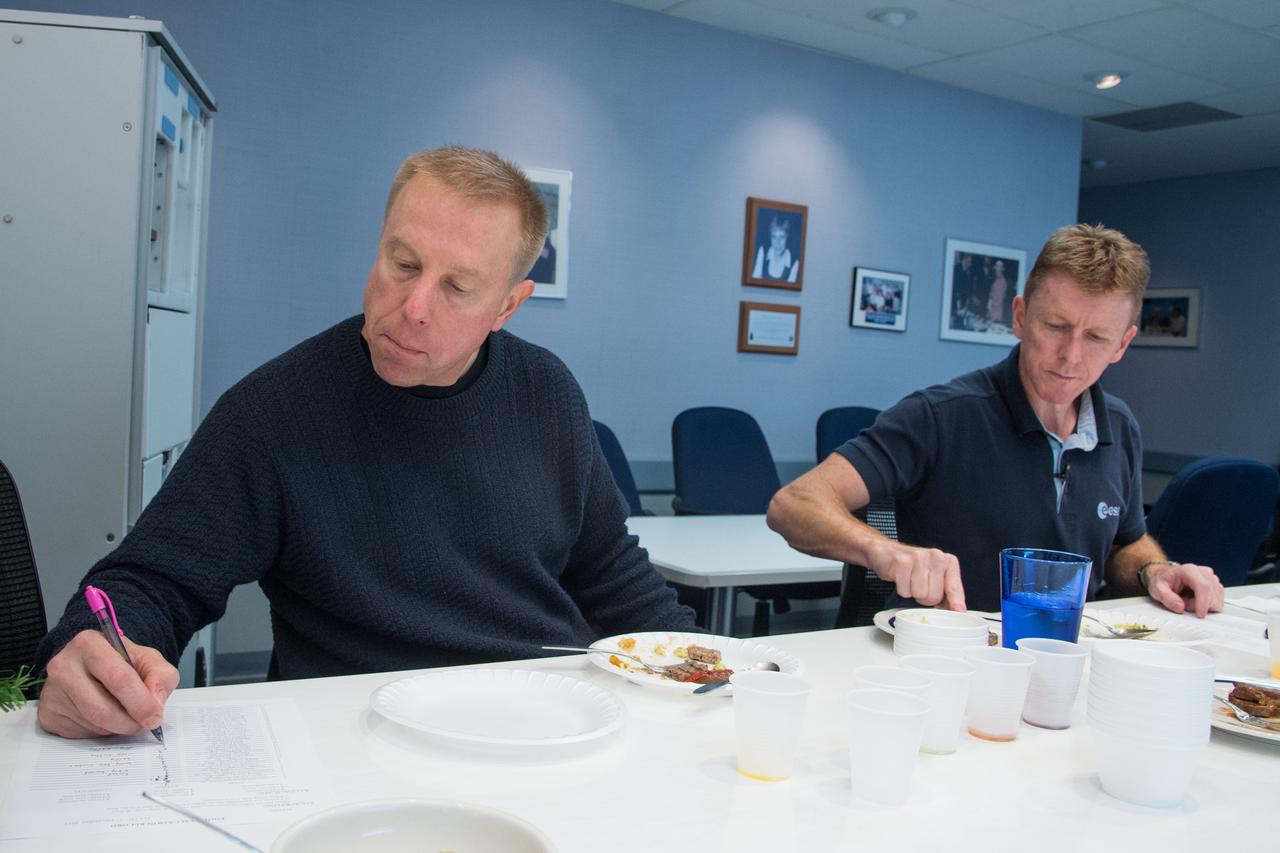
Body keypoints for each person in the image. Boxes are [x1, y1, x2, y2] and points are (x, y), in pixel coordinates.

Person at [33, 145, 695, 739]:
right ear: (379, 241)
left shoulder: (547, 392)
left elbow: (612, 575)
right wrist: (95, 649)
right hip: (360, 735)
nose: (412, 307)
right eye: (402, 263)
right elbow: (155, 580)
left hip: (549, 719)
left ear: (508, 307)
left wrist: (709, 683)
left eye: (457, 288)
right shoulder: (275, 411)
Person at [767, 224, 1224, 619]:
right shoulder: (941, 416)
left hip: (1067, 656)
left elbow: (1126, 544)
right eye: (1056, 326)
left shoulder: (1120, 428)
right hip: (950, 659)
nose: (1070, 356)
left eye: (1096, 337)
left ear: (1122, 345)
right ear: (1021, 316)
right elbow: (794, 504)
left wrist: (1155, 571)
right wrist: (885, 552)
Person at [752, 216, 799, 282]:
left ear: (787, 238)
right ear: (770, 238)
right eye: (774, 237)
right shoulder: (763, 251)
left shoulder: (794, 262)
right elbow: (754, 282)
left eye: (782, 237)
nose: (777, 242)